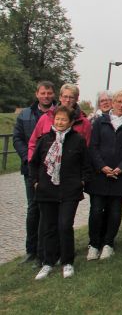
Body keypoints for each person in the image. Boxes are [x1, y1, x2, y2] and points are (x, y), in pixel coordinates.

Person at [29, 105, 91, 280]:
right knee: (48, 227)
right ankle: (48, 262)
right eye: (57, 119)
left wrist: (82, 182)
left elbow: (86, 165)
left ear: (71, 121)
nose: (60, 122)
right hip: (46, 190)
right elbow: (34, 164)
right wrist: (35, 181)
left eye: (64, 119)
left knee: (64, 226)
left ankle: (67, 261)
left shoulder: (78, 140)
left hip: (69, 191)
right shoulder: (45, 139)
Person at [86, 89, 122, 261]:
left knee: (115, 211)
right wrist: (102, 166)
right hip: (100, 174)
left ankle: (109, 243)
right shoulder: (100, 122)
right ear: (113, 102)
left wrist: (121, 168)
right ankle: (94, 244)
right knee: (96, 210)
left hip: (120, 174)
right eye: (119, 101)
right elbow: (93, 146)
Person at [12, 80, 55, 265]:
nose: (46, 96)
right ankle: (31, 250)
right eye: (43, 93)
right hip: (31, 169)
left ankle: (46, 250)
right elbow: (18, 138)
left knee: (49, 211)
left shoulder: (59, 114)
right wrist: (28, 158)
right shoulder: (25, 115)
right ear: (37, 94)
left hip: (52, 170)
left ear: (53, 94)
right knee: (33, 208)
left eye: (49, 93)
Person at [28, 84, 91, 162]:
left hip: (72, 169)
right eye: (65, 96)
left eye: (71, 97)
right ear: (60, 97)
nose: (67, 100)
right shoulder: (46, 118)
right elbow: (33, 143)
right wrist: (31, 162)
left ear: (77, 99)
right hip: (45, 168)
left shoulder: (84, 122)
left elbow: (87, 149)